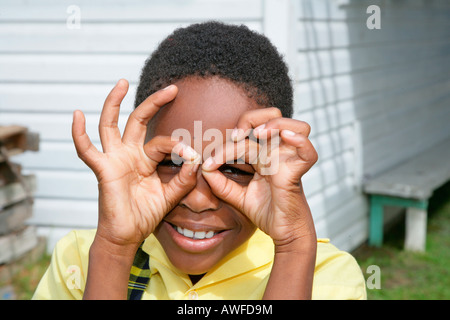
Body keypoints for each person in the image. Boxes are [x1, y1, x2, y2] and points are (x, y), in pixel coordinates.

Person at [33, 21, 366, 300]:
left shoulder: (323, 276)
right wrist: (115, 249)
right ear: (140, 153)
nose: (197, 200)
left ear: (271, 167)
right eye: (173, 162)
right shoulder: (80, 262)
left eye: (234, 169)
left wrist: (293, 247)